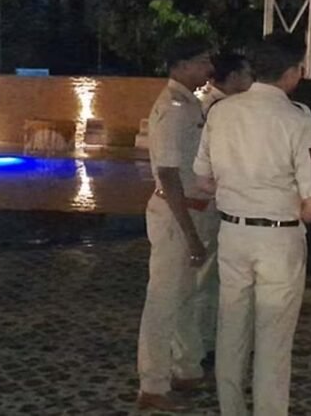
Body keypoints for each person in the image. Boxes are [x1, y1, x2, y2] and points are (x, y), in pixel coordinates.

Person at [194, 32, 311, 416]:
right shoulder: (297, 117)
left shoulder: (221, 112)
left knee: (231, 328)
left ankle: (231, 408)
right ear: (294, 71)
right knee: (274, 337)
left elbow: (202, 180)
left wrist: (238, 192)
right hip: (278, 238)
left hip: (233, 232)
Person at [136, 36, 216, 412]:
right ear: (181, 65)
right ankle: (152, 384)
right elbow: (168, 175)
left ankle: (186, 368)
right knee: (164, 299)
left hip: (190, 210)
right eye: (202, 61)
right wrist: (190, 233)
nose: (208, 68)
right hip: (176, 214)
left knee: (184, 294)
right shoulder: (173, 107)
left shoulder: (189, 103)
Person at [195, 51, 255, 364]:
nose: (251, 81)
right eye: (247, 74)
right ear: (232, 77)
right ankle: (204, 344)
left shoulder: (215, 106)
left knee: (215, 275)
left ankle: (211, 341)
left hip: (217, 199)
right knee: (207, 276)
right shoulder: (217, 109)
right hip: (211, 200)